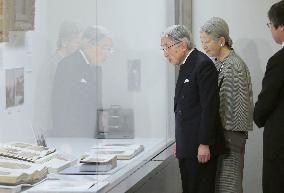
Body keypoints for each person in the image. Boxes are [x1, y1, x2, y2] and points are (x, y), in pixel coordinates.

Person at [161, 25, 225, 193]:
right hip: (188, 145)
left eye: (167, 47)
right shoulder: (186, 64)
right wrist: (179, 140)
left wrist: (204, 143)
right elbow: (184, 108)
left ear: (182, 45)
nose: (165, 53)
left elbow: (209, 107)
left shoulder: (202, 64)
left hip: (200, 147)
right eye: (163, 48)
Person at [200, 17, 253, 193]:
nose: (204, 46)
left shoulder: (234, 65)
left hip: (229, 136)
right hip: (222, 135)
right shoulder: (219, 63)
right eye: (202, 42)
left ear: (221, 41)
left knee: (228, 186)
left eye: (207, 41)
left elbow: (232, 110)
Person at [51, 26, 113, 137]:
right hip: (73, 137)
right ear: (89, 45)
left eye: (109, 49)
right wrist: (64, 142)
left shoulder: (97, 68)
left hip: (91, 137)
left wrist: (101, 134)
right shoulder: (68, 65)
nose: (107, 54)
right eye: (105, 48)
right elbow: (60, 107)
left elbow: (98, 104)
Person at [254, 1, 284, 192]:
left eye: (269, 25)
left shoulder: (279, 61)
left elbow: (265, 103)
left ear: (280, 27)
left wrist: (257, 116)